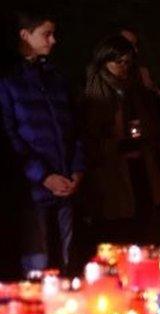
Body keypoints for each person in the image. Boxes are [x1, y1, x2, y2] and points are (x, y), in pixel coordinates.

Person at [0, 10, 84, 274]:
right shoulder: (8, 81)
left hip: (66, 185)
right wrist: (44, 175)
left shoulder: (56, 78)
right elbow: (9, 136)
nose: (53, 40)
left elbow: (74, 127)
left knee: (69, 259)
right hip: (31, 191)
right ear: (25, 35)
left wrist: (76, 169)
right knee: (37, 261)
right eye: (46, 34)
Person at [81, 35, 160, 246]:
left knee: (146, 227)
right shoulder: (96, 94)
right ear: (104, 62)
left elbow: (153, 124)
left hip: (141, 167)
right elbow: (90, 136)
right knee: (121, 232)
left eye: (127, 62)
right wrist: (116, 143)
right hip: (113, 174)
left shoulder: (134, 89)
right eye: (117, 62)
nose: (123, 67)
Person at [118, 25, 160, 96]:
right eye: (129, 44)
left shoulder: (142, 74)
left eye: (134, 45)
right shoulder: (99, 79)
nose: (135, 50)